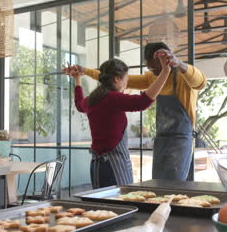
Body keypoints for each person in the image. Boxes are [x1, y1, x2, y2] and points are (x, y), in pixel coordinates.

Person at [67, 42, 206, 181]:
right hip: (151, 144)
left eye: (154, 67)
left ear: (167, 61)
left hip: (179, 141)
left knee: (173, 186)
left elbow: (201, 82)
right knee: (158, 186)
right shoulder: (122, 93)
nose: (152, 71)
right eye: (149, 67)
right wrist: (84, 71)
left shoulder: (183, 76)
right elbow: (138, 98)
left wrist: (179, 64)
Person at [65, 55, 171, 188]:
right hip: (113, 167)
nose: (126, 84)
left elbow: (80, 105)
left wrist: (77, 79)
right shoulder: (113, 98)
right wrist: (165, 72)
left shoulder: (93, 99)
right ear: (116, 79)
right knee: (119, 205)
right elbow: (143, 102)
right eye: (126, 79)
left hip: (97, 166)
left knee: (101, 206)